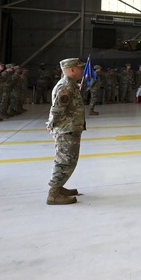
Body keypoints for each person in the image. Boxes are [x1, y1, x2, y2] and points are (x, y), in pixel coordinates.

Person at [46, 58, 85, 205]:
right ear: (72, 70)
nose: (82, 70)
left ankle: (59, 187)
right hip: (66, 129)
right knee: (65, 161)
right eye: (79, 68)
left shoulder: (71, 85)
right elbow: (57, 108)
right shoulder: (66, 86)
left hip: (70, 128)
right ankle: (54, 193)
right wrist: (52, 123)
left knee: (68, 160)